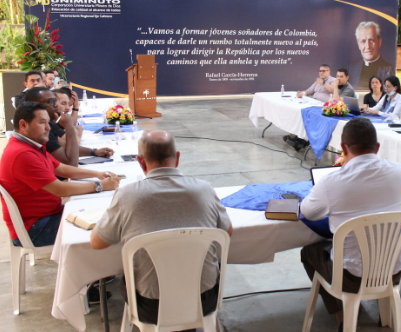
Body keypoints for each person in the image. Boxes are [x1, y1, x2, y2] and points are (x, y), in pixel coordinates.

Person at [90, 130, 233, 327]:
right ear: (178, 158)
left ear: (140, 161)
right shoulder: (205, 189)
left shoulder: (127, 196)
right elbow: (227, 232)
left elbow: (97, 243)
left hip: (151, 306)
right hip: (203, 299)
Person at [300, 118, 401, 329]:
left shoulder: (332, 181)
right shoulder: (400, 172)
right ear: (377, 148)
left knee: (309, 252)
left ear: (343, 148)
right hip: (394, 270)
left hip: (352, 277)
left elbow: (308, 212)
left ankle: (343, 315)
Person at [0, 102, 120, 249]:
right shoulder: (22, 154)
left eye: (48, 123)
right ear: (23, 125)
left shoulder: (31, 145)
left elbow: (60, 168)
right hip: (34, 228)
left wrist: (97, 174)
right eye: (42, 123)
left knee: (105, 213)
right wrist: (100, 186)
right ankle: (107, 270)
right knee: (108, 228)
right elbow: (59, 189)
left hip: (47, 216)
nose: (48, 128)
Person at [24, 87, 113, 166]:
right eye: (51, 101)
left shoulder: (49, 123)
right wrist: (69, 126)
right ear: (34, 104)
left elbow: (65, 146)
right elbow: (71, 163)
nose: (56, 105)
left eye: (55, 101)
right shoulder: (39, 130)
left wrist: (94, 152)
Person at [347, 22, 395, 89]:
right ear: (358, 44)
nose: (368, 46)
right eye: (363, 41)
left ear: (379, 41)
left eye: (371, 40)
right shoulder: (351, 68)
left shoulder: (391, 70)